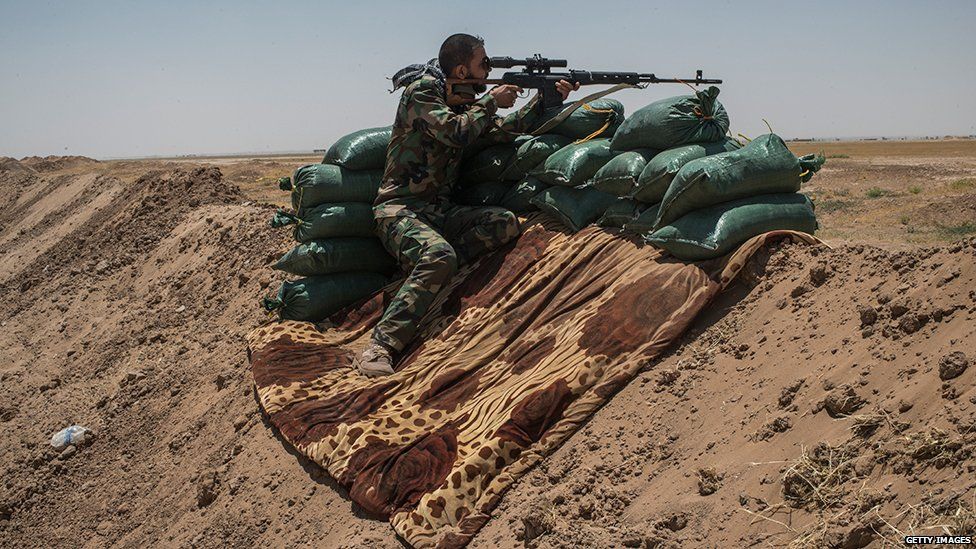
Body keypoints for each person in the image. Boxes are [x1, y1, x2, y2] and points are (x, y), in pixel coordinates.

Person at [354, 33, 578, 377]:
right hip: (399, 211)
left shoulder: (462, 101)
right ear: (461, 69)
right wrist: (491, 101)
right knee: (438, 256)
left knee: (503, 223)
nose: (489, 70)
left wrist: (544, 98)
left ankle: (430, 270)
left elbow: (501, 131)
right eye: (483, 64)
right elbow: (456, 131)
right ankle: (381, 346)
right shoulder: (423, 92)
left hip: (439, 212)